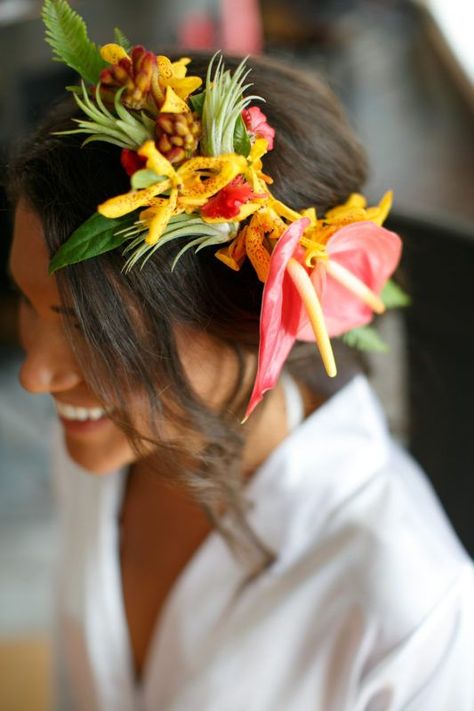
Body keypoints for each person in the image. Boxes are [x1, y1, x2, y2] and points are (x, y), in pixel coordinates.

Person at [7, 3, 474, 708]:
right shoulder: (111, 443)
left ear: (260, 323)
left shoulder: (410, 613)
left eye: (84, 330)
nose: (35, 375)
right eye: (27, 302)